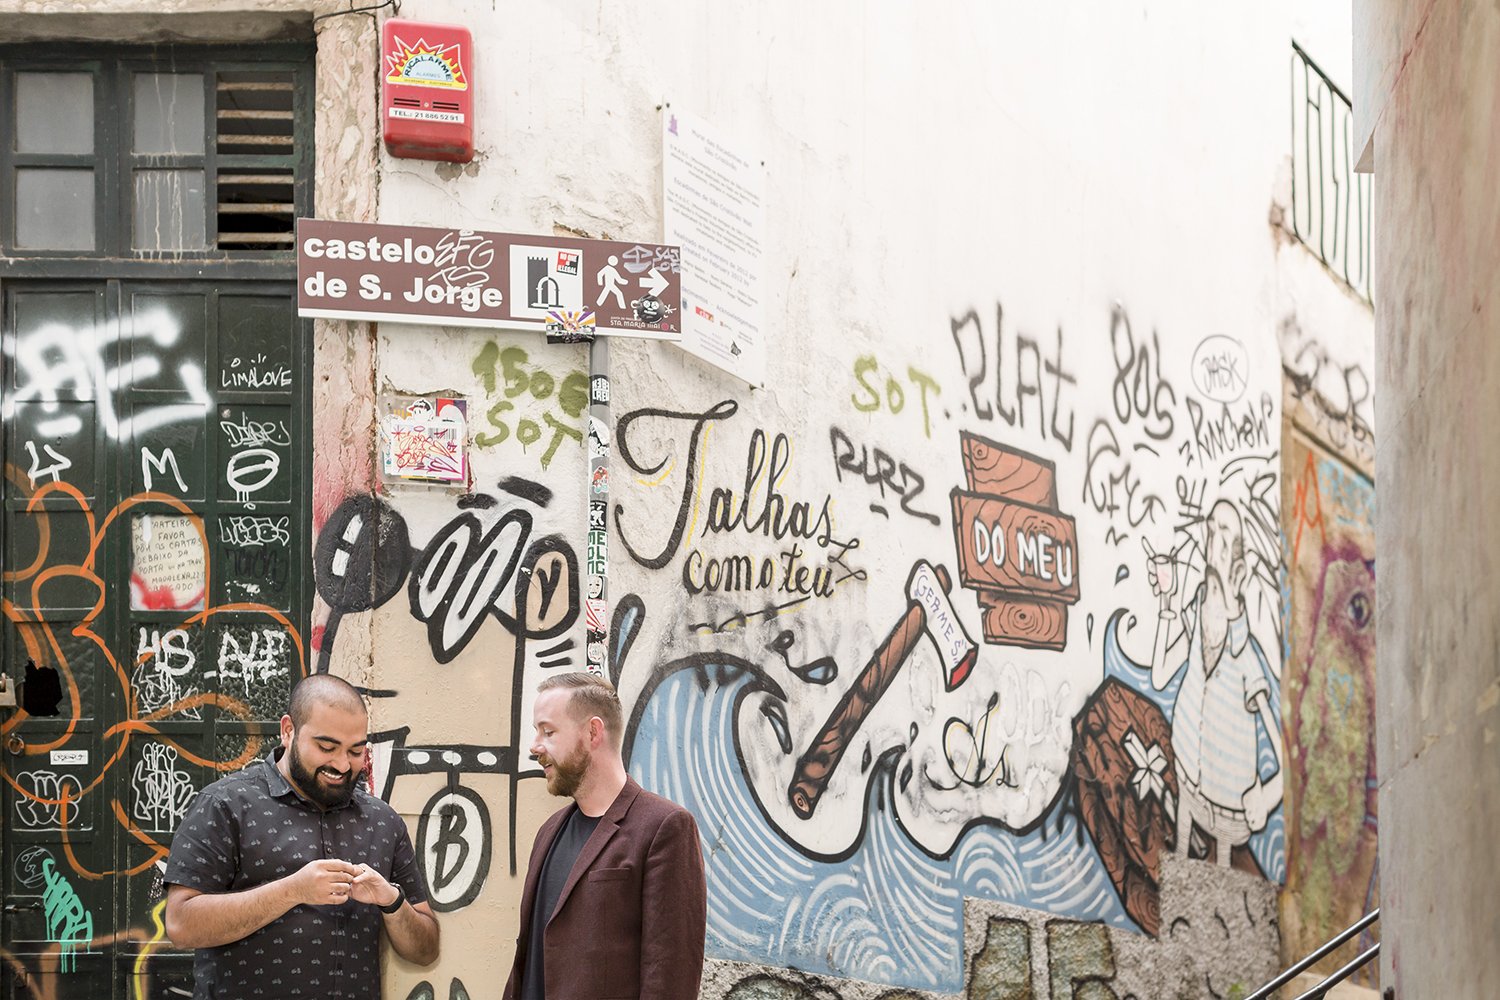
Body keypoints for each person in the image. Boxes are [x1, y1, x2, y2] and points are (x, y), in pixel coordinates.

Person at [163, 674, 439, 999]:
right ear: (288, 731)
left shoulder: (383, 821)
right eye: (326, 747)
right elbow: (181, 925)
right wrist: (293, 890)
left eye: (355, 751)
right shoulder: (225, 804)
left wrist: (391, 901)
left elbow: (426, 949)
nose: (341, 764)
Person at [503, 672, 707, 1000]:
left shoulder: (664, 828)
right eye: (536, 732)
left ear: (593, 732)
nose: (534, 746)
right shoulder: (548, 832)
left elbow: (670, 978)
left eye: (548, 731)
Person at [1147, 499, 1284, 867]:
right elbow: (1160, 675)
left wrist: (1267, 798)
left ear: (1238, 571)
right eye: (1211, 533)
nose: (1212, 543)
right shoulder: (1197, 618)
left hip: (1228, 813)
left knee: (1220, 876)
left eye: (1223, 539)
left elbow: (1284, 760)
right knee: (1179, 857)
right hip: (1188, 787)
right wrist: (1166, 602)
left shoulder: (1245, 656)